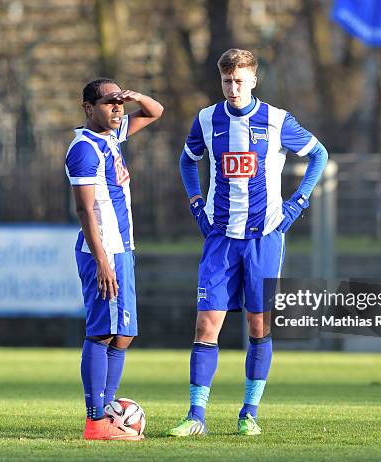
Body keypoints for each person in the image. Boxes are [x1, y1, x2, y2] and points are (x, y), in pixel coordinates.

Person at [168, 49, 328, 437]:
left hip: (265, 236)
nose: (233, 88)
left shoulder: (276, 120)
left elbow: (319, 154)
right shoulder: (207, 119)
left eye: (240, 81)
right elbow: (188, 160)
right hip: (221, 238)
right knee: (206, 326)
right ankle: (196, 416)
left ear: (254, 80)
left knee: (259, 325)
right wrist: (195, 204)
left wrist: (298, 203)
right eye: (227, 81)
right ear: (220, 80)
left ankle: (249, 412)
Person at [65, 78, 163, 440]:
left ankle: (107, 413)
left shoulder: (113, 136)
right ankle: (96, 420)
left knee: (123, 335)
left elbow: (156, 111)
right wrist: (102, 259)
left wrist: (132, 96)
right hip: (101, 252)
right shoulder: (84, 149)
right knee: (103, 332)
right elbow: (84, 208)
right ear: (88, 108)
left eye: (119, 102)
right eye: (109, 102)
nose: (117, 108)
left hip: (123, 249)